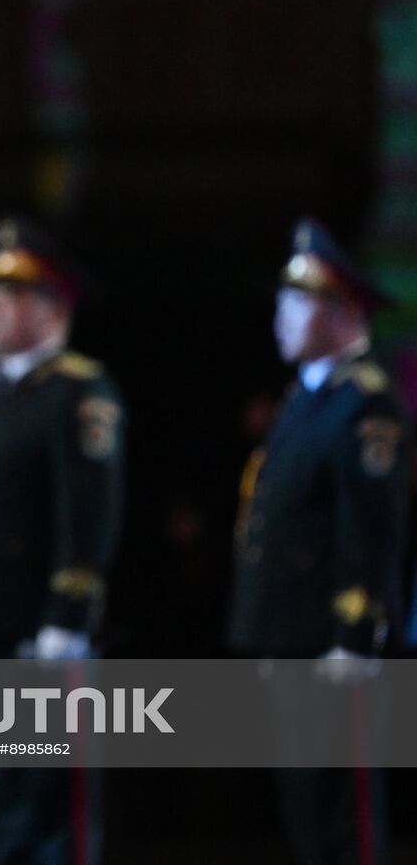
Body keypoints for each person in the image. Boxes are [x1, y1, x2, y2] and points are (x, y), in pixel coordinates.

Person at [0, 217, 125, 865]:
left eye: (8, 296)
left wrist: (67, 618)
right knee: (1, 805)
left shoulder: (76, 393)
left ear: (51, 306)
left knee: (47, 816)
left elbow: (88, 516)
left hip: (36, 634)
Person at [229, 217, 411, 865]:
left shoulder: (363, 404)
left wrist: (356, 632)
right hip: (291, 634)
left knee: (345, 818)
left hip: (333, 643)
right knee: (304, 808)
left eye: (298, 300)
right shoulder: (304, 401)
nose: (282, 314)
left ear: (340, 311)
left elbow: (373, 530)